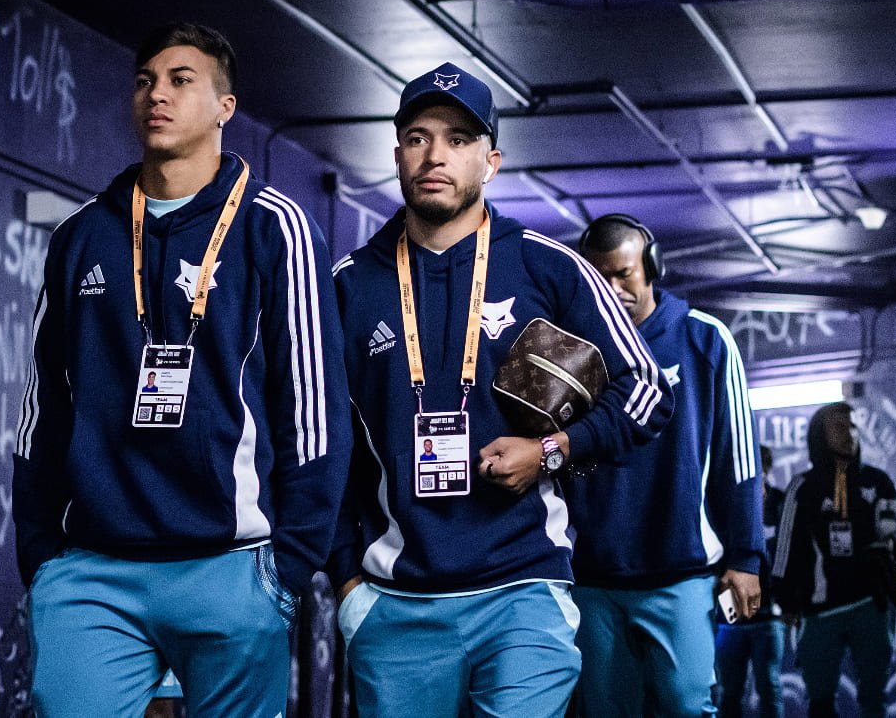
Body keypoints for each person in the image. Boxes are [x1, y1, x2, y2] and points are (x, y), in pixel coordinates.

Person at [12, 22, 351, 717]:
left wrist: (289, 567)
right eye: (144, 81)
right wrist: (43, 557)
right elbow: (43, 407)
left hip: (233, 568)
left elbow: (314, 404)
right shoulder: (81, 235)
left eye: (180, 80)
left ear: (225, 106)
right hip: (93, 570)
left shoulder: (275, 227)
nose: (156, 95)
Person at [327, 62, 673, 718]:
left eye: (458, 139)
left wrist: (552, 450)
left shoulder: (548, 266)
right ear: (397, 154)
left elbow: (647, 390)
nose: (435, 155)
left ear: (490, 162)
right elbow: (315, 442)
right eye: (418, 137)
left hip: (523, 590)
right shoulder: (347, 285)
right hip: (394, 605)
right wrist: (347, 582)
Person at [569, 214, 764, 717]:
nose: (613, 290)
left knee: (687, 707)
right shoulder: (569, 349)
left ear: (651, 269)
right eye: (600, 278)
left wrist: (745, 557)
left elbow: (739, 460)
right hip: (592, 576)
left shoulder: (705, 340)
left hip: (681, 571)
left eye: (624, 274)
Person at [772, 401, 896, 718]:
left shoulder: (878, 481)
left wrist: (893, 543)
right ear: (819, 435)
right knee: (820, 701)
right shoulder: (803, 487)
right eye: (839, 427)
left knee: (874, 698)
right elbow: (785, 547)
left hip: (872, 603)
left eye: (852, 426)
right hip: (821, 609)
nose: (849, 433)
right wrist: (785, 599)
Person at [715, 445, 786, 718]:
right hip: (731, 616)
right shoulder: (728, 504)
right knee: (729, 691)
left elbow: (791, 551)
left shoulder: (779, 502)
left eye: (763, 468)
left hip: (769, 615)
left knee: (769, 687)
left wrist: (786, 599)